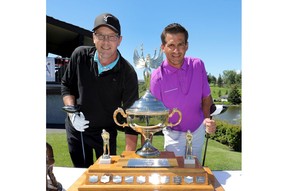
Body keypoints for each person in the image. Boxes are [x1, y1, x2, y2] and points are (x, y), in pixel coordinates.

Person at [61, 13, 140, 168]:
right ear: (94, 37)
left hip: (106, 132)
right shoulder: (79, 55)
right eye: (101, 35)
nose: (105, 42)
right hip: (78, 130)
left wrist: (129, 156)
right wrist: (71, 112)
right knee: (81, 174)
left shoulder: (128, 73)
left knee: (106, 176)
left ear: (119, 40)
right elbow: (66, 85)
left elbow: (132, 117)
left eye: (111, 36)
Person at [150, 23, 216, 162]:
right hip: (173, 135)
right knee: (177, 176)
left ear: (187, 46)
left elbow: (206, 99)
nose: (176, 50)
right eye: (171, 45)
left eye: (180, 45)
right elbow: (154, 115)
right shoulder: (157, 78)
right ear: (163, 47)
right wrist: (147, 146)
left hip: (198, 131)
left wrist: (207, 119)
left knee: (194, 171)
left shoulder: (198, 65)